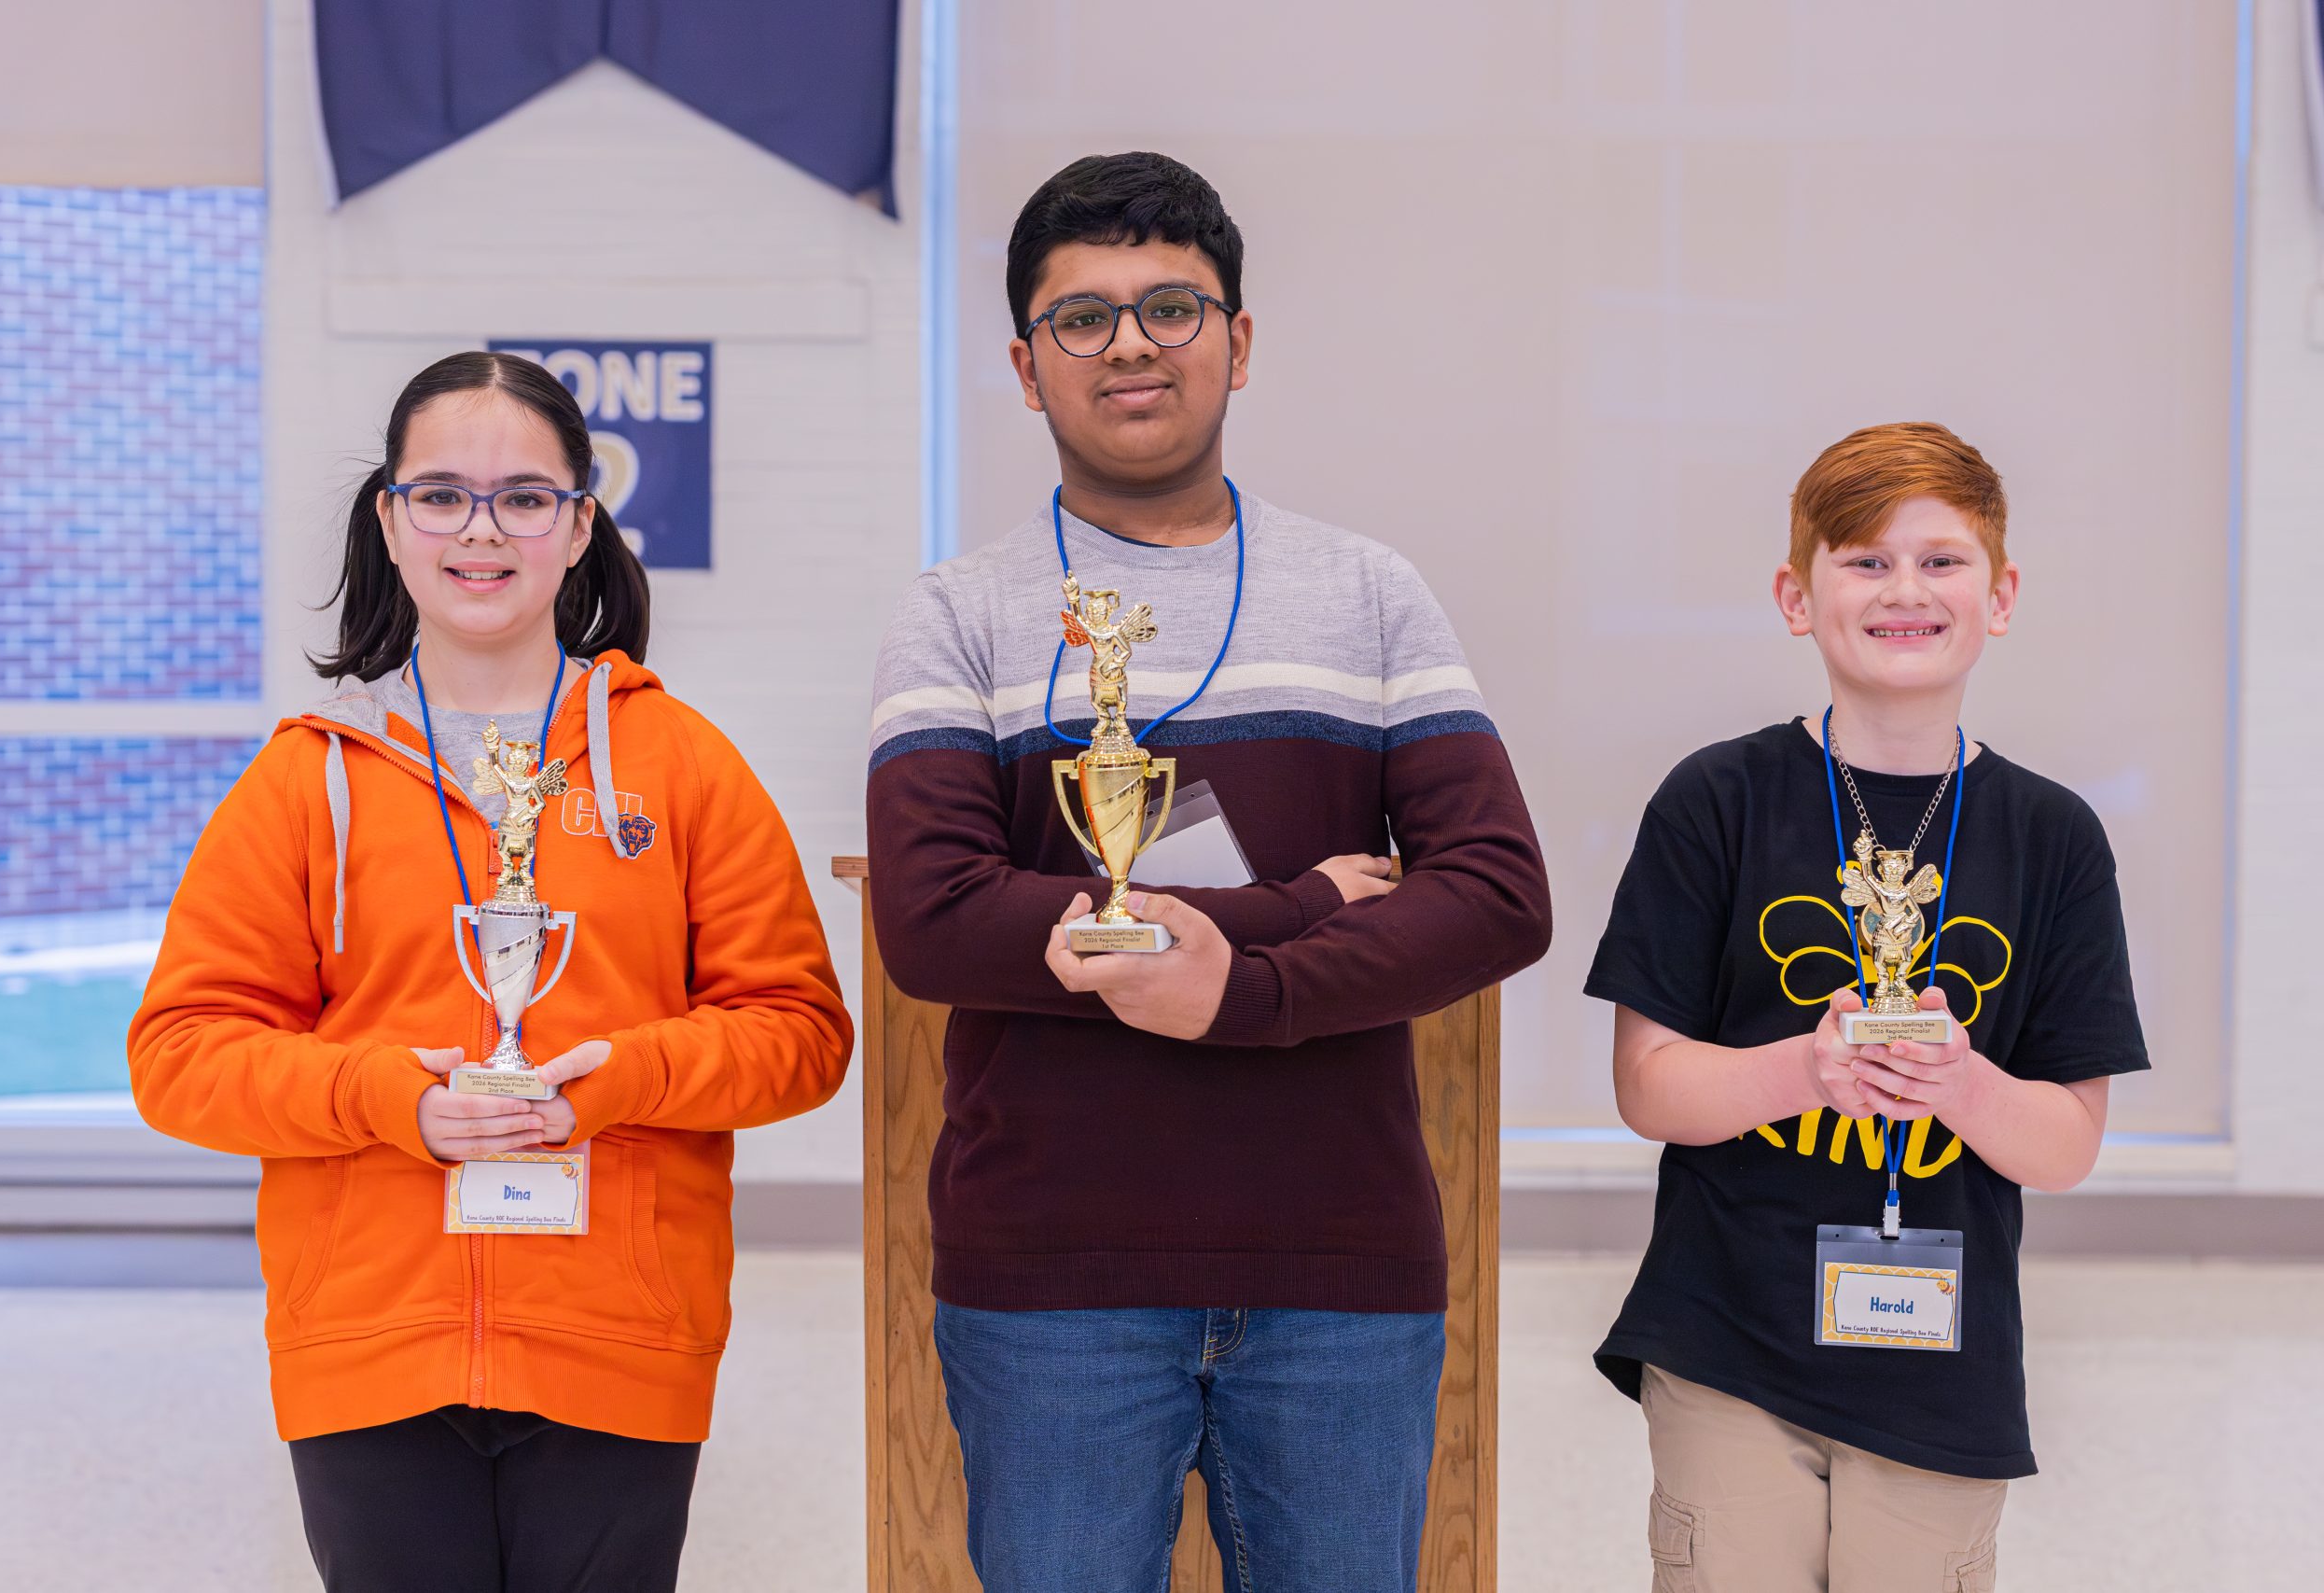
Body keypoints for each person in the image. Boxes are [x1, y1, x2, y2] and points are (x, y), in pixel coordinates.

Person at [865, 152, 1552, 1592]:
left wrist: (1239, 993)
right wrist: (1292, 910)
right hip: (1050, 1279)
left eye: (1172, 306)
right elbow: (931, 920)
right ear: (1023, 363)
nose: (1130, 343)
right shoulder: (961, 615)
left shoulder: (1369, 594)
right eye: (1083, 317)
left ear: (1238, 343)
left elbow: (1494, 890)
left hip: (1338, 1271)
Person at [129, 351, 853, 1593]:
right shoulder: (310, 778)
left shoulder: (677, 764)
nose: (483, 528)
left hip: (621, 1328)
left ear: (579, 526)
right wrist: (390, 1099)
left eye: (524, 495)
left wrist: (620, 1077)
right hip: (369, 1336)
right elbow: (180, 1054)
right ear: (391, 523)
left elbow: (799, 1029)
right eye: (443, 494)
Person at [1586, 422, 2150, 1591]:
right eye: (1864, 559)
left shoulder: (2052, 837)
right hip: (1726, 1342)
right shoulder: (1716, 801)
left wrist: (1961, 1083)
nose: (1905, 590)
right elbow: (1648, 1087)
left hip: (1941, 1371)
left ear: (1999, 596)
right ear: (1798, 598)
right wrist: (1806, 1070)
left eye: (1941, 560)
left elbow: (2065, 1144)